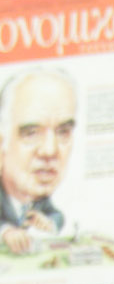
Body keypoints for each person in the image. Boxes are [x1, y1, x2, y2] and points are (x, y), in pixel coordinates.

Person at [0, 66, 77, 255]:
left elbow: (57, 215)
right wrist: (6, 231)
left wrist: (48, 223)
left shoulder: (38, 198)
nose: (50, 151)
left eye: (63, 132)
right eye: (31, 133)